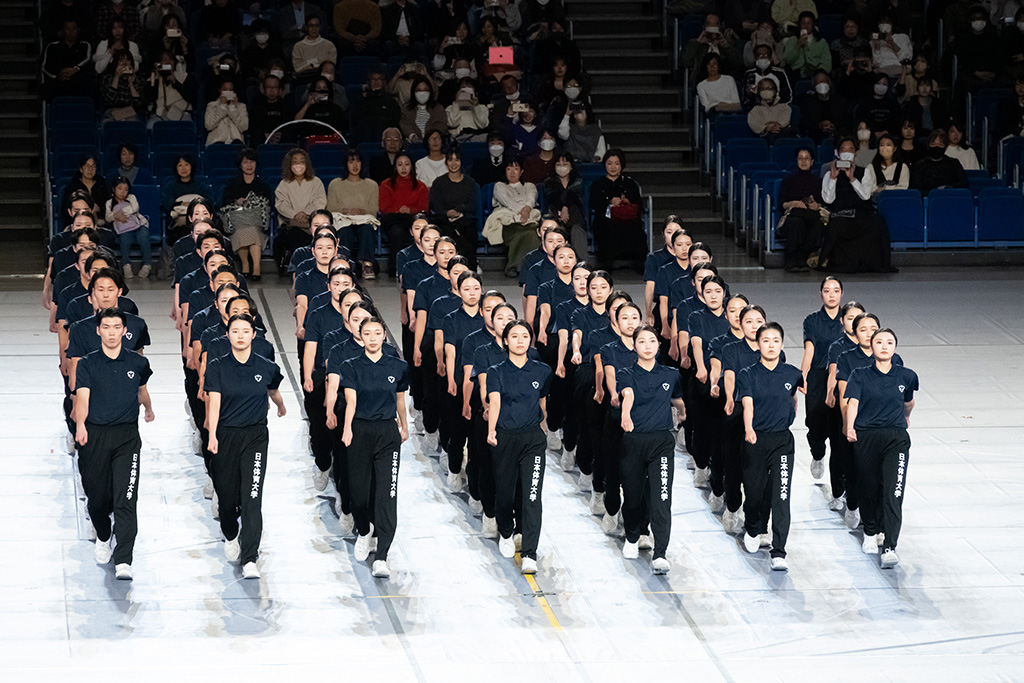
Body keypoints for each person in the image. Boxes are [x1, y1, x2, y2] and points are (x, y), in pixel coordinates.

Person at [73, 307, 155, 581]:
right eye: (106, 327)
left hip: (126, 437)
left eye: (116, 327)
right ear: (99, 331)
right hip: (94, 436)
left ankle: (124, 559)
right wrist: (81, 425)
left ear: (124, 330)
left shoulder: (137, 363)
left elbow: (142, 390)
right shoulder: (87, 363)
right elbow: (82, 398)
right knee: (97, 498)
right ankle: (104, 534)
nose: (111, 332)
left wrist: (148, 409)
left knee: (126, 498)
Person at [205, 313, 286, 579]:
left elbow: (273, 390)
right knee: (228, 499)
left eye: (245, 331)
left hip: (255, 436)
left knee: (252, 498)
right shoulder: (217, 367)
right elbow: (214, 402)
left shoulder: (266, 366)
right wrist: (213, 435)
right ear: (227, 335)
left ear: (254, 335)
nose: (240, 335)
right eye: (235, 331)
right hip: (226, 436)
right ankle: (230, 534)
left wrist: (281, 406)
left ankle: (250, 556)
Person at [339, 316, 410, 579]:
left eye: (377, 333)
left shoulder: (398, 366)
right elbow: (351, 400)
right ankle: (364, 529)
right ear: (360, 336)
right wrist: (347, 428)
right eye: (367, 333)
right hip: (359, 430)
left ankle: (382, 555)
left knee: (387, 493)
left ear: (384, 336)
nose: (372, 337)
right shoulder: (351, 365)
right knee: (358, 493)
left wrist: (404, 425)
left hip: (386, 433)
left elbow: (400, 400)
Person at [845, 328, 917, 568]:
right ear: (872, 347)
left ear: (895, 347)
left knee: (893, 491)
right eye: (879, 342)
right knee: (868, 487)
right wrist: (850, 426)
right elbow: (852, 402)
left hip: (896, 438)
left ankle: (889, 545)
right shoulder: (860, 375)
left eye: (889, 342)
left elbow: (909, 401)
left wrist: (906, 417)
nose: (884, 346)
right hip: (867, 437)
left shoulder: (906, 375)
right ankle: (870, 531)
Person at [486, 319, 552, 576]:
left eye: (525, 336)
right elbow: (495, 402)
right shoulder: (496, 372)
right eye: (514, 336)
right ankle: (505, 529)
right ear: (505, 341)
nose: (520, 340)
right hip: (504, 437)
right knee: (505, 493)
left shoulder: (542, 371)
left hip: (532, 440)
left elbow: (542, 401)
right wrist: (491, 430)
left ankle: (530, 553)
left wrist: (542, 425)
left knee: (532, 496)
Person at [737, 321, 805, 571]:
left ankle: (779, 551)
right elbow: (748, 404)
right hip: (756, 440)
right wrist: (749, 429)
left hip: (782, 443)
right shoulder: (748, 374)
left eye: (776, 340)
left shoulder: (791, 373)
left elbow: (794, 398)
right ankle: (753, 528)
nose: (771, 345)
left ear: (783, 344)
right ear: (758, 344)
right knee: (754, 493)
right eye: (766, 340)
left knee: (781, 497)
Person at [618, 324, 684, 573]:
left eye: (652, 341)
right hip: (634, 441)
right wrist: (625, 414)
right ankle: (633, 536)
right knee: (633, 496)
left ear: (659, 345)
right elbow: (628, 394)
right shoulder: (626, 373)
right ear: (634, 346)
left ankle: (660, 553)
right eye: (642, 341)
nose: (647, 346)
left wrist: (682, 412)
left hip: (661, 443)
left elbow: (677, 398)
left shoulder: (670, 374)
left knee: (662, 498)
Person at [820, 137, 896, 273]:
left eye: (850, 150)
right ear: (837, 153)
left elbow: (866, 196)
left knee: (878, 222)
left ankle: (879, 263)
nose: (846, 152)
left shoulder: (864, 171)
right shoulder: (829, 174)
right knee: (836, 225)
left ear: (855, 153)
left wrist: (852, 179)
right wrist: (833, 178)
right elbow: (828, 200)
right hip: (841, 213)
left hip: (861, 213)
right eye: (843, 150)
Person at [568, 270, 612, 495]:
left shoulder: (617, 313)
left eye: (603, 287)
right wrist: (576, 351)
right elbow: (576, 334)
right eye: (594, 287)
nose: (598, 291)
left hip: (614, 371)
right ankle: (586, 467)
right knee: (587, 420)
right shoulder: (580, 313)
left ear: (610, 290)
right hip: (587, 365)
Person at [442, 272, 485, 491]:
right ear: (458, 291)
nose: (472, 293)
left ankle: (475, 476)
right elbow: (449, 351)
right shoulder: (451, 319)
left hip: (484, 383)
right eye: (466, 289)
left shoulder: (488, 317)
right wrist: (451, 379)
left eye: (476, 288)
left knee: (477, 433)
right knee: (458, 429)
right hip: (461, 378)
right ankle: (454, 468)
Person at [800, 277, 844, 485]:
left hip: (843, 377)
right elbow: (810, 348)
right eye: (827, 290)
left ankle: (840, 480)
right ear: (821, 294)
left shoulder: (850, 319)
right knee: (815, 423)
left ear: (842, 294)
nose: (832, 294)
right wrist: (804, 374)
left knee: (839, 426)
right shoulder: (812, 320)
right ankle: (818, 454)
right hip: (818, 375)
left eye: (836, 290)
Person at [326, 149, 380, 280]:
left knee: (367, 229)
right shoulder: (336, 184)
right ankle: (344, 265)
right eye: (351, 162)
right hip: (343, 220)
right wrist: (347, 211)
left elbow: (373, 210)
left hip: (363, 220)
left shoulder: (371, 185)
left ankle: (367, 264)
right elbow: (331, 208)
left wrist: (360, 211)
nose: (355, 165)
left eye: (357, 161)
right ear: (346, 164)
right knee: (345, 232)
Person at [588, 149, 645, 272]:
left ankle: (639, 264)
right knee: (606, 228)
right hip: (606, 219)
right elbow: (593, 203)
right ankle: (606, 264)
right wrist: (609, 202)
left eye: (616, 163)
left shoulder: (630, 183)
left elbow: (639, 204)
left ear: (621, 165)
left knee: (635, 228)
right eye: (609, 163)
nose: (613, 167)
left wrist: (627, 202)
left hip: (627, 218)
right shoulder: (598, 184)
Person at [221, 148, 273, 281]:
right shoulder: (232, 184)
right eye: (245, 162)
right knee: (242, 231)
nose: (249, 165)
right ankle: (246, 265)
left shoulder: (263, 185)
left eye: (252, 162)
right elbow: (224, 203)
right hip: (237, 223)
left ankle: (255, 268)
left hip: (257, 223)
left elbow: (268, 204)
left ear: (256, 164)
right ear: (240, 165)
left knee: (253, 230)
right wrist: (236, 201)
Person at [485, 158, 542, 278]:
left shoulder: (529, 186)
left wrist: (527, 209)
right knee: (529, 233)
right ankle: (517, 267)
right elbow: (508, 202)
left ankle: (519, 267)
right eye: (509, 169)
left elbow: (531, 200)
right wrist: (523, 212)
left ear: (521, 171)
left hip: (528, 220)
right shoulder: (499, 186)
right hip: (509, 223)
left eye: (516, 169)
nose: (512, 172)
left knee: (531, 232)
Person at [429, 147, 481, 269]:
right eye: (450, 160)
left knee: (469, 233)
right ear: (446, 162)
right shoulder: (439, 182)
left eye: (457, 160)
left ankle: (471, 266)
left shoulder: (470, 182)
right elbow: (436, 206)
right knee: (447, 232)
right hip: (444, 220)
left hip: (464, 219)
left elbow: (472, 205)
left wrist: (459, 210)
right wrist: (447, 213)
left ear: (461, 162)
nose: (453, 163)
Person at [379, 152, 430, 276]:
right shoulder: (386, 185)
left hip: (412, 219)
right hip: (393, 220)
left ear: (411, 166)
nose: (403, 168)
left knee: (417, 228)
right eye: (400, 164)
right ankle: (396, 267)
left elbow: (423, 207)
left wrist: (410, 210)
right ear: (395, 166)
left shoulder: (420, 186)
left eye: (406, 164)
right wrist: (399, 210)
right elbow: (384, 207)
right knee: (397, 231)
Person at [777, 147, 825, 272]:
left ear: (812, 161)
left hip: (810, 216)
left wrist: (816, 205)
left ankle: (802, 259)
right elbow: (781, 204)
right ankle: (791, 260)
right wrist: (793, 203)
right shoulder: (788, 180)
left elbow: (822, 203)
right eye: (800, 158)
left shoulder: (818, 182)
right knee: (796, 222)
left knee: (817, 224)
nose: (803, 161)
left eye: (807, 158)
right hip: (793, 217)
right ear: (796, 161)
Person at [275, 149, 328, 248]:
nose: (298, 165)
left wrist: (306, 213)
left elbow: (320, 201)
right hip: (291, 224)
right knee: (293, 235)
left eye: (302, 162)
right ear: (289, 165)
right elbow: (281, 204)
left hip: (311, 223)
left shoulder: (316, 181)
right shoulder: (284, 184)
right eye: (295, 162)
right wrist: (295, 214)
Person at [542, 152, 588, 262]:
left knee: (577, 229)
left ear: (571, 166)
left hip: (574, 218)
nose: (561, 167)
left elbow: (575, 196)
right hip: (555, 216)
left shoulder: (578, 181)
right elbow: (552, 197)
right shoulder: (549, 182)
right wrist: (562, 208)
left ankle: (582, 263)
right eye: (558, 164)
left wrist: (565, 207)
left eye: (565, 164)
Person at [105, 177, 151, 280]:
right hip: (124, 228)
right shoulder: (109, 202)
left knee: (143, 237)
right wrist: (115, 216)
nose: (122, 192)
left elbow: (135, 208)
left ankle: (147, 264)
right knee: (124, 240)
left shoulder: (131, 197)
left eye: (125, 189)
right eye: (119, 188)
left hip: (139, 225)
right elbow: (107, 218)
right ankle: (126, 265)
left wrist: (121, 212)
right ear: (113, 189)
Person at [160, 155, 212, 245]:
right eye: (180, 165)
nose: (183, 168)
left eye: (186, 165)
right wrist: (183, 205)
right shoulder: (170, 186)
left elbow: (209, 201)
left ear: (192, 167)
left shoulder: (201, 186)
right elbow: (167, 203)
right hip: (178, 220)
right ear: (176, 168)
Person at [909, 128, 969, 198]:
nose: (936, 147)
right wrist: (934, 192)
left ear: (945, 147)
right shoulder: (919, 166)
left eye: (940, 144)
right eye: (933, 144)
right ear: (928, 145)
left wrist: (949, 187)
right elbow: (916, 189)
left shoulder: (953, 163)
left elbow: (964, 183)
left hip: (950, 198)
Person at [41, 19, 93, 101]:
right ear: (62, 31)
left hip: (78, 80)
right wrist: (58, 76)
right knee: (47, 88)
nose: (71, 32)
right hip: (58, 80)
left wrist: (75, 69)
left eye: (74, 29)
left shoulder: (85, 45)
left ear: (78, 30)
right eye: (68, 29)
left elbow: (87, 61)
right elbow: (45, 67)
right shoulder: (52, 46)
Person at [350, 68, 402, 144]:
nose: (376, 82)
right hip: (365, 142)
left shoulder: (391, 103)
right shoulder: (360, 103)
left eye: (379, 79)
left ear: (385, 82)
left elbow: (395, 124)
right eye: (373, 79)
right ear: (368, 82)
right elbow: (354, 125)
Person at [799, 69, 848, 142]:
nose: (821, 83)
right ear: (814, 85)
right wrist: (820, 125)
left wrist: (833, 126)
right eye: (818, 81)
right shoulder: (808, 102)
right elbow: (805, 123)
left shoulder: (840, 101)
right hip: (816, 136)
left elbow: (845, 121)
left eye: (824, 81)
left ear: (829, 83)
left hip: (837, 134)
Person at [61, 156, 109, 227]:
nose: (90, 169)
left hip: (100, 222)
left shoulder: (101, 184)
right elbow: (65, 209)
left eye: (93, 166)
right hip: (77, 222)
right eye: (87, 166)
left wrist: (99, 209)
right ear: (81, 169)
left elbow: (108, 205)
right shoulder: (72, 186)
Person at [780, 11, 831, 78]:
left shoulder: (822, 42)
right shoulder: (793, 40)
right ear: (799, 25)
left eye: (809, 23)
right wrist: (798, 45)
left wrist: (818, 72)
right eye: (803, 23)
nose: (806, 26)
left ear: (813, 25)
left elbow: (827, 64)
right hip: (797, 73)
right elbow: (788, 60)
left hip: (816, 73)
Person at [741, 44, 793, 111]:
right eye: (759, 55)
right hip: (755, 111)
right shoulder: (749, 74)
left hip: (777, 110)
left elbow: (787, 97)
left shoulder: (780, 73)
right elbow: (744, 100)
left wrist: (775, 108)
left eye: (766, 55)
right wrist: (749, 94)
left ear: (771, 58)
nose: (763, 58)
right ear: (755, 57)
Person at [100, 49, 145, 121]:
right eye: (121, 61)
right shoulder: (108, 78)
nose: (124, 63)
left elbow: (138, 103)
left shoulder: (138, 80)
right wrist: (116, 77)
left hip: (131, 112)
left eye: (127, 60)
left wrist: (131, 84)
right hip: (112, 111)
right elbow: (110, 99)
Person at [204, 79, 248, 146]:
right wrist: (222, 107)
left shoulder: (242, 106)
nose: (228, 93)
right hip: (216, 142)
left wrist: (233, 108)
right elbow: (209, 126)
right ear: (220, 90)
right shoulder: (212, 106)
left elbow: (244, 127)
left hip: (236, 142)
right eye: (225, 90)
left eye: (230, 90)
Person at [867, 14, 912, 79]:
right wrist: (877, 47)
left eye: (887, 22)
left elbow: (907, 59)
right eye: (882, 23)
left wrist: (893, 44)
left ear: (892, 25)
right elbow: (876, 64)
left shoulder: (903, 37)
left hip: (901, 72)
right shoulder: (873, 42)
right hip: (882, 74)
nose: (884, 25)